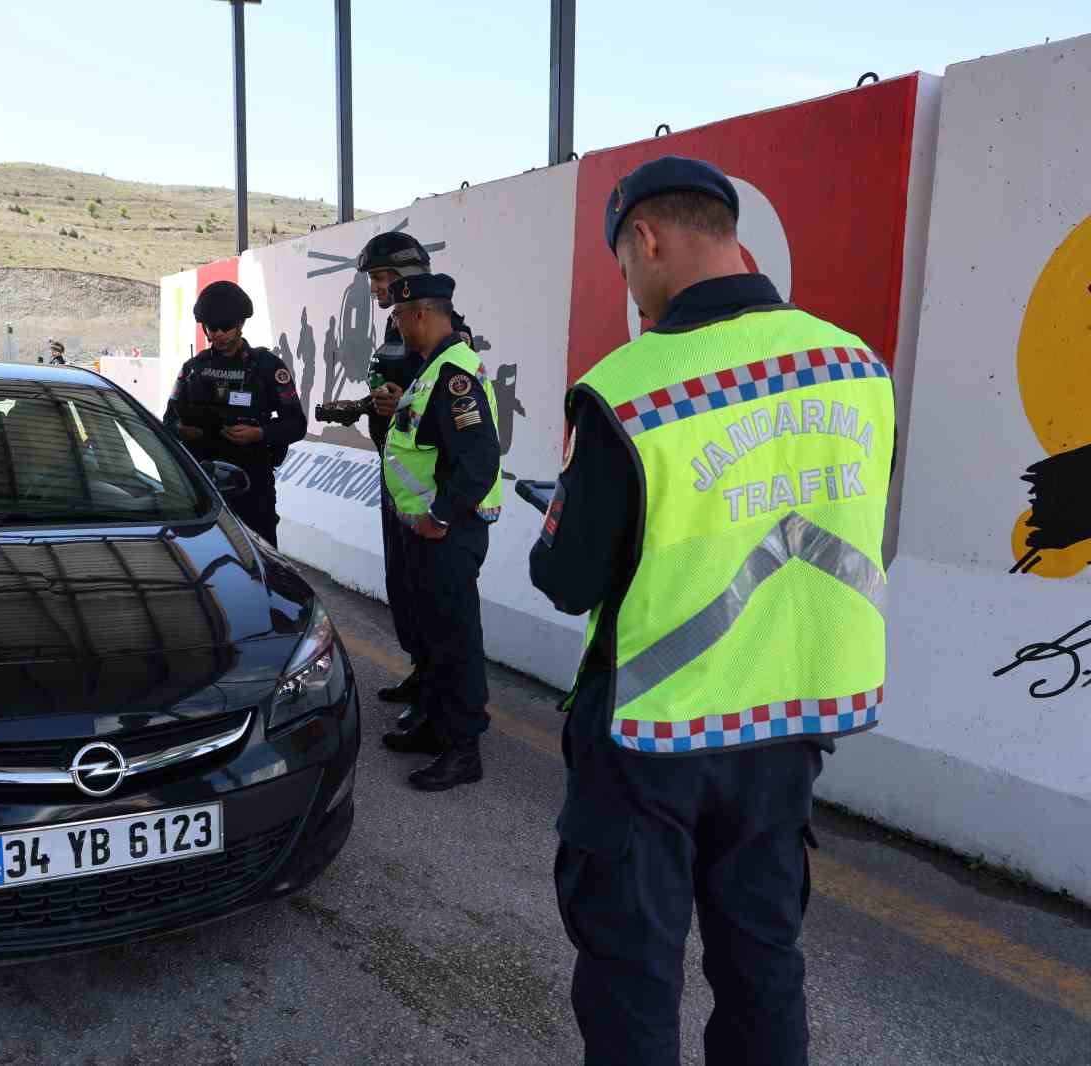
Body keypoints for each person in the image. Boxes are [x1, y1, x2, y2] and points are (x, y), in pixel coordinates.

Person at [529, 156, 895, 1066]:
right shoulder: (859, 366)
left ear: (646, 239)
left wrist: (561, 516)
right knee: (765, 964)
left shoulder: (630, 388)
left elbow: (569, 578)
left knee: (633, 980)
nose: (631, 290)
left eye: (625, 266)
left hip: (654, 737)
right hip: (788, 730)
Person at [378, 273, 501, 792]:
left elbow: (479, 460)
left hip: (447, 533)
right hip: (425, 531)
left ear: (423, 314)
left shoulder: (454, 376)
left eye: (402, 317)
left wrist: (442, 516)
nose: (399, 326)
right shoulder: (431, 372)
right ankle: (434, 725)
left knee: (454, 640)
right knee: (432, 636)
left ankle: (462, 748)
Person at [351, 232, 478, 725]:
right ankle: (423, 672)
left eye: (384, 277)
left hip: (432, 492)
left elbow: (440, 412)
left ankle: (444, 707)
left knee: (434, 603)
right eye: (374, 280)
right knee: (402, 589)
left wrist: (398, 400)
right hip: (399, 482)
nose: (379, 288)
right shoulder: (395, 326)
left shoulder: (446, 332)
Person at [163, 280, 307, 545]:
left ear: (240, 324)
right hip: (202, 484)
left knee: (260, 558)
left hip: (253, 484)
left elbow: (297, 424)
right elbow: (167, 421)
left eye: (224, 327)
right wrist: (182, 430)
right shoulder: (193, 368)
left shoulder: (267, 367)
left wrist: (259, 433)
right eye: (210, 327)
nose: (217, 334)